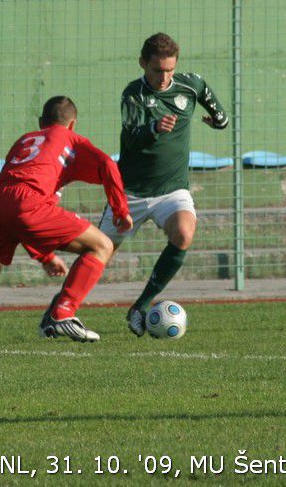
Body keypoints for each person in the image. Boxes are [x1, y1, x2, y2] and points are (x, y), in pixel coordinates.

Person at [0, 96, 133, 354]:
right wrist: (120, 210)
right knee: (102, 245)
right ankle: (63, 311)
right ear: (72, 125)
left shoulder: (26, 139)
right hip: (27, 203)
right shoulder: (71, 139)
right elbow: (107, 164)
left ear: (40, 122)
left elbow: (17, 214)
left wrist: (45, 257)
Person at [97, 32, 228, 336]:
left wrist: (219, 120)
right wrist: (154, 127)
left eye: (170, 69)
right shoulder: (133, 93)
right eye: (157, 70)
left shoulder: (189, 85)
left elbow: (212, 103)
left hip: (172, 189)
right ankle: (61, 311)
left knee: (184, 232)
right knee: (97, 254)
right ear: (143, 63)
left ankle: (140, 307)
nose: (164, 76)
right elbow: (130, 136)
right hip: (130, 192)